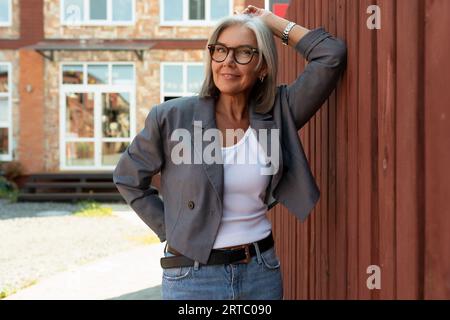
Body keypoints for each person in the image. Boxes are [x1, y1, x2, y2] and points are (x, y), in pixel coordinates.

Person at [113, 5, 347, 300]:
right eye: (220, 50)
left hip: (260, 272)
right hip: (191, 278)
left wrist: (271, 21)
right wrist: (173, 229)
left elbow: (331, 55)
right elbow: (127, 177)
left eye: (244, 52)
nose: (228, 62)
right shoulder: (171, 117)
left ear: (263, 66)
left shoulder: (279, 112)